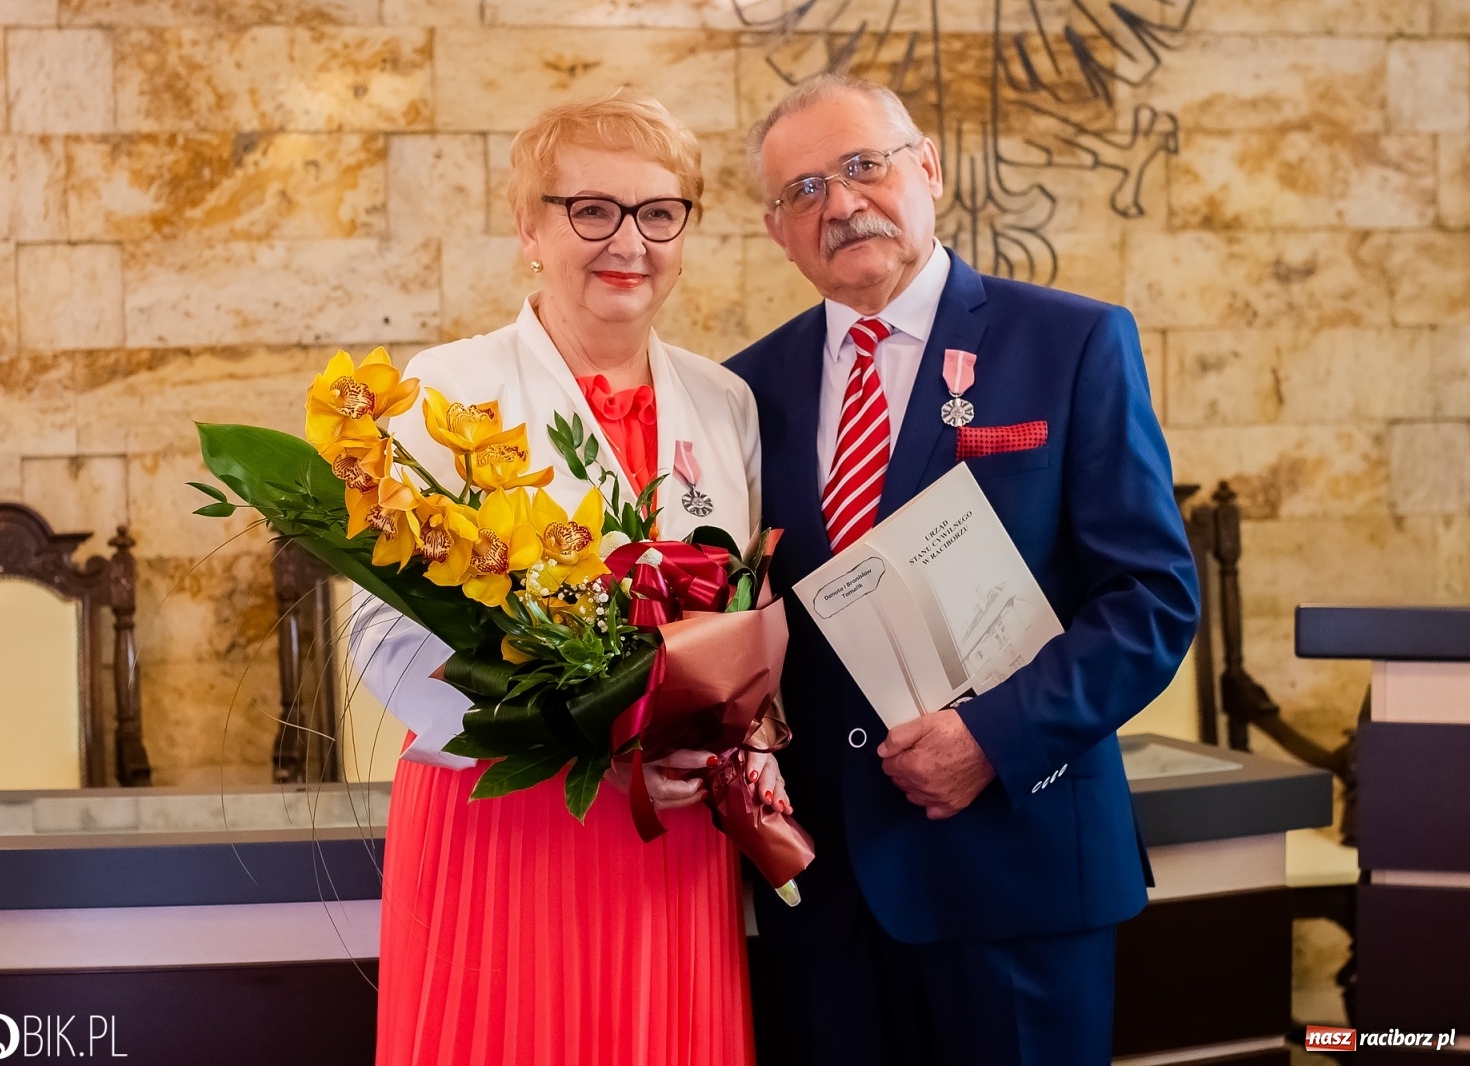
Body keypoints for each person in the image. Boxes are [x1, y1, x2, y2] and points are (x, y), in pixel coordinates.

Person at [726, 74, 1200, 1065]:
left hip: (1017, 872)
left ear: (929, 168)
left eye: (863, 165)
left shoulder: (1072, 342)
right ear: (777, 231)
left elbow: (1151, 600)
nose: (840, 203)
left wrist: (992, 735)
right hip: (825, 898)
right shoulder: (745, 391)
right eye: (803, 190)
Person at [348, 88, 787, 1066]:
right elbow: (381, 637)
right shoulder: (444, 391)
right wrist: (583, 745)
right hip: (507, 820)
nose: (628, 241)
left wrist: (743, 740)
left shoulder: (725, 403)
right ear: (527, 229)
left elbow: (747, 613)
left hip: (673, 829)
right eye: (591, 209)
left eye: (659, 212)